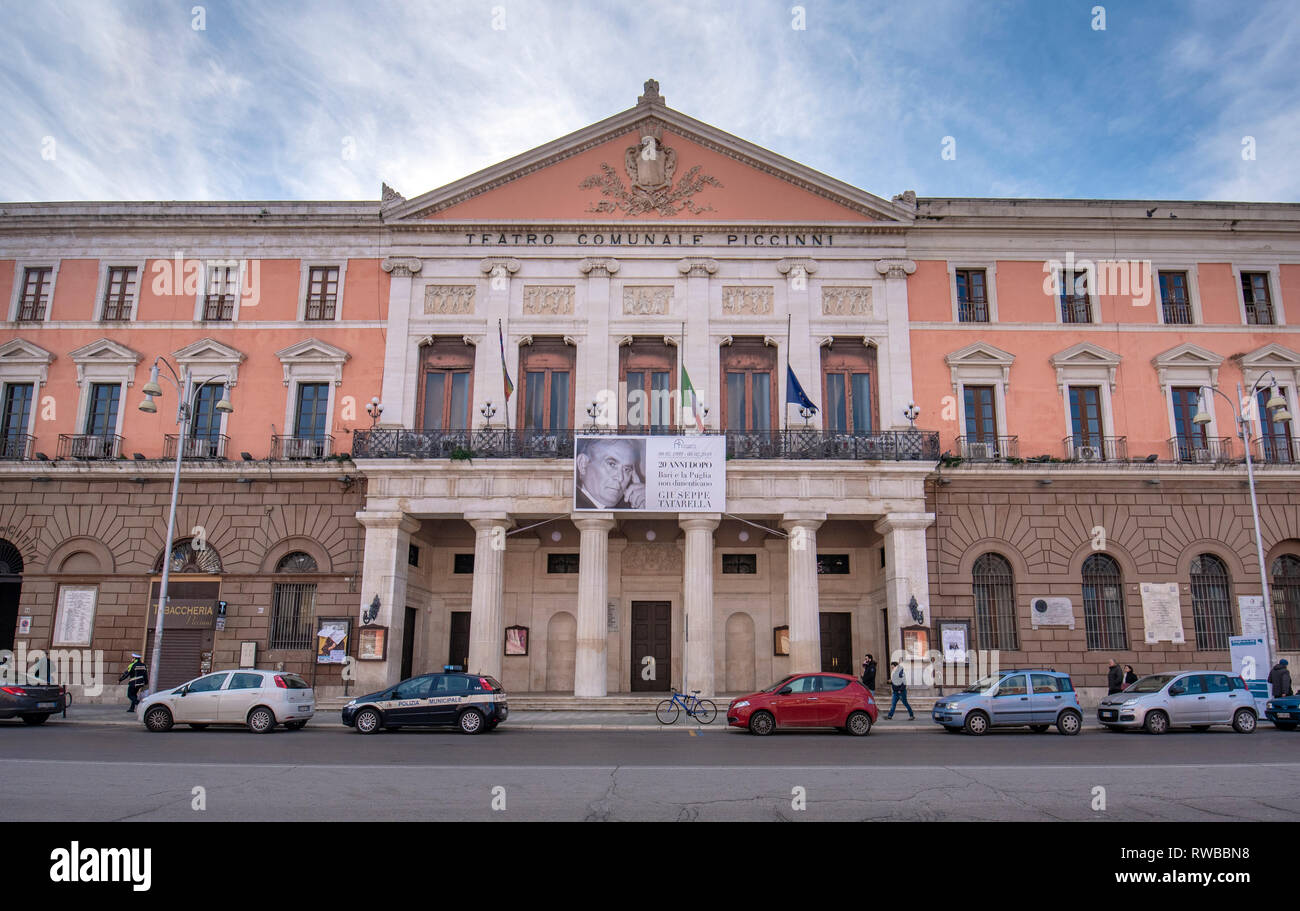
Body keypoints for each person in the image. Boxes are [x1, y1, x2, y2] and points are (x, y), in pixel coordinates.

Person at [574, 438, 645, 509]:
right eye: (612, 464)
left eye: (626, 469)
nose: (620, 478)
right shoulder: (571, 504)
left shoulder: (632, 506)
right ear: (583, 464)